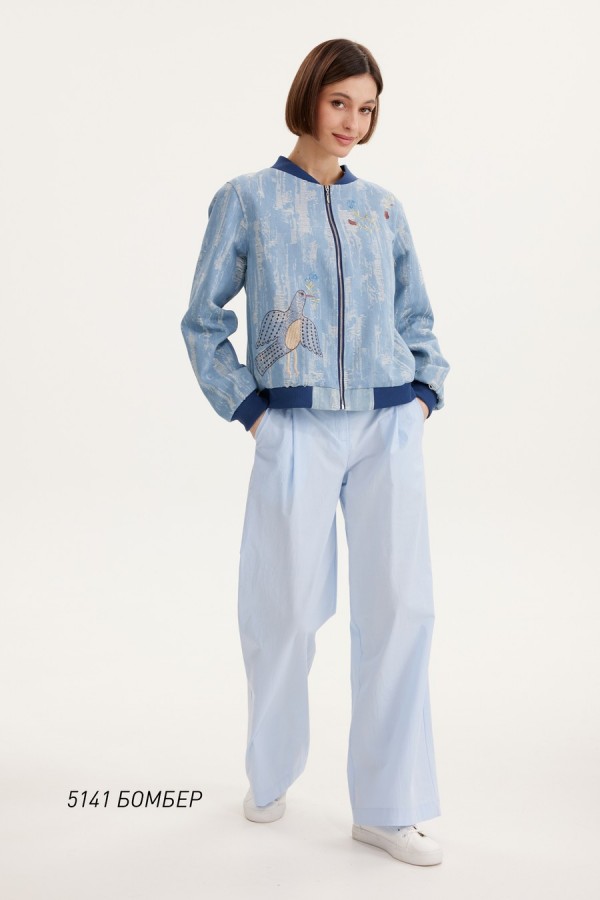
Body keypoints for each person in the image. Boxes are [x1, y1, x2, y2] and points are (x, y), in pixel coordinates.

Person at [180, 38, 450, 867]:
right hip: (293, 425)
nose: (352, 123)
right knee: (287, 611)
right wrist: (251, 410)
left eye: (366, 109)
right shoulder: (248, 198)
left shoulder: (384, 208)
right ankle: (269, 774)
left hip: (386, 424)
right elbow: (203, 321)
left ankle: (389, 807)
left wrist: (424, 392)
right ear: (308, 97)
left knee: (401, 611)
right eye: (340, 103)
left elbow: (416, 314)